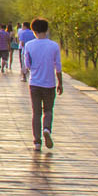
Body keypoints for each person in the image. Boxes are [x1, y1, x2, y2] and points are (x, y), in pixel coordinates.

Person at [22, 18, 63, 152]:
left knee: (36, 113)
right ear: (46, 30)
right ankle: (46, 129)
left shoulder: (29, 45)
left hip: (34, 83)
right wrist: (60, 83)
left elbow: (27, 65)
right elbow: (58, 66)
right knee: (48, 110)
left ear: (34, 31)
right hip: (49, 84)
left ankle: (37, 142)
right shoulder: (54, 46)